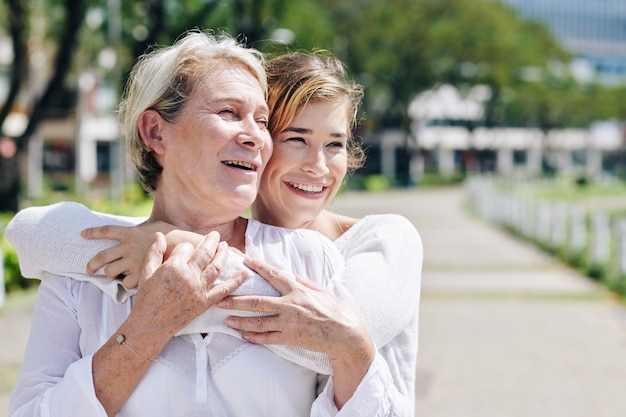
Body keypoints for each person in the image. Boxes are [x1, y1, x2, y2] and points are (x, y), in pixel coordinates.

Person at [9, 49, 422, 415]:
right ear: (155, 132)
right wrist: (144, 329)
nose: (254, 136)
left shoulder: (315, 258)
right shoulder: (77, 269)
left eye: (262, 121)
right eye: (228, 113)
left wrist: (179, 249)